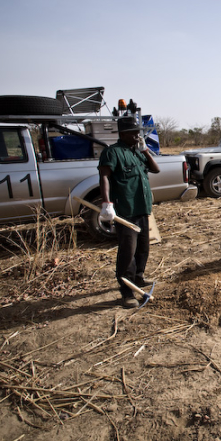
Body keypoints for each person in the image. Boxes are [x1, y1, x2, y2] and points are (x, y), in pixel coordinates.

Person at [98, 116, 160, 308]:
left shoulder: (137, 152)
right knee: (128, 251)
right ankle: (127, 292)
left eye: (138, 132)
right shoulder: (112, 153)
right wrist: (107, 202)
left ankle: (138, 278)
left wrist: (145, 150)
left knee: (143, 247)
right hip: (126, 210)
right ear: (122, 134)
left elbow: (155, 169)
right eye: (133, 133)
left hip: (142, 208)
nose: (137, 136)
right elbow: (104, 177)